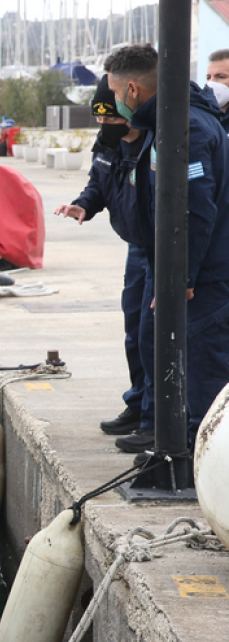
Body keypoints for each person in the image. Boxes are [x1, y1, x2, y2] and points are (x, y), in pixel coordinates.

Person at [106, 44, 229, 452]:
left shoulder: (185, 128)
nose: (112, 103)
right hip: (182, 266)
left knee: (201, 367)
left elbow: (195, 207)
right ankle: (171, 439)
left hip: (206, 273)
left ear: (133, 91)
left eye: (114, 93)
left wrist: (182, 275)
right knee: (162, 347)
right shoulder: (172, 121)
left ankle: (195, 461)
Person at [53, 75, 153, 443]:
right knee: (133, 331)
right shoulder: (107, 145)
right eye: (100, 121)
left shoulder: (153, 144)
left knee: (151, 333)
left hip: (160, 250)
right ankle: (138, 403)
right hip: (135, 248)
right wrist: (83, 205)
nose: (105, 127)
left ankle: (155, 418)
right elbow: (98, 182)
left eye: (111, 120)